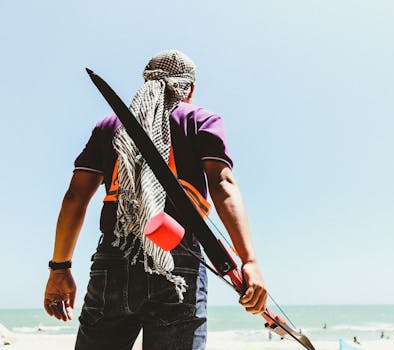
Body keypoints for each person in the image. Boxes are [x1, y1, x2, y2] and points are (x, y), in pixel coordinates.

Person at [43, 50, 268, 350]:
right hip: (179, 258)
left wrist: (59, 268)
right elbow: (223, 184)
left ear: (146, 80)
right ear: (190, 89)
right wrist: (249, 261)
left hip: (114, 257)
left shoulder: (110, 126)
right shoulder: (201, 120)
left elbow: (75, 197)